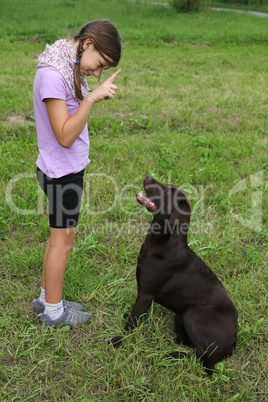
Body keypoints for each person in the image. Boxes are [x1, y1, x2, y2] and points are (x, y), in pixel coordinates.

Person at [32, 20, 121, 328]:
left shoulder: (62, 59)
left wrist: (89, 94)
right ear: (88, 44)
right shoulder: (54, 76)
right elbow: (65, 136)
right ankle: (54, 312)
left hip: (61, 169)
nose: (97, 73)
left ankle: (48, 298)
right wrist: (91, 98)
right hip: (61, 175)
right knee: (63, 242)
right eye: (100, 64)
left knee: (60, 238)